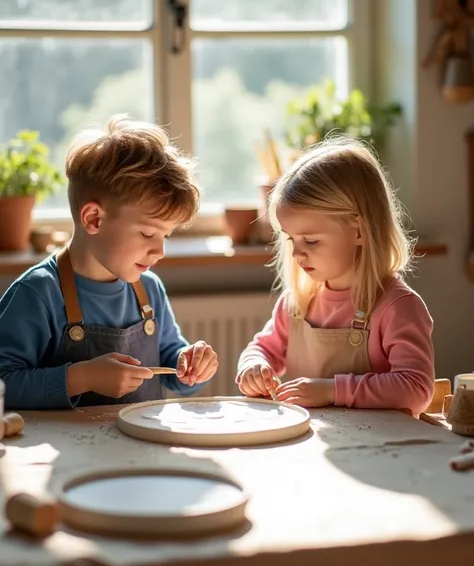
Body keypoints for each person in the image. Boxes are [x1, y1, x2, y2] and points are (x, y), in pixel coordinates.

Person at [0, 115, 218, 409]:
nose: (160, 251)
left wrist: (191, 366)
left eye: (165, 236)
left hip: (139, 453)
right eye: (148, 233)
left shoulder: (149, 289)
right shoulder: (37, 293)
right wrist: (81, 378)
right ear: (94, 218)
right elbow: (5, 382)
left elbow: (171, 365)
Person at [237, 137, 434, 417]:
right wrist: (253, 366)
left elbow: (416, 389)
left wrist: (332, 390)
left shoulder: (397, 307)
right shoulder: (297, 303)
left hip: (378, 452)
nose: (297, 254)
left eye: (311, 241)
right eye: (292, 240)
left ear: (359, 231)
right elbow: (261, 348)